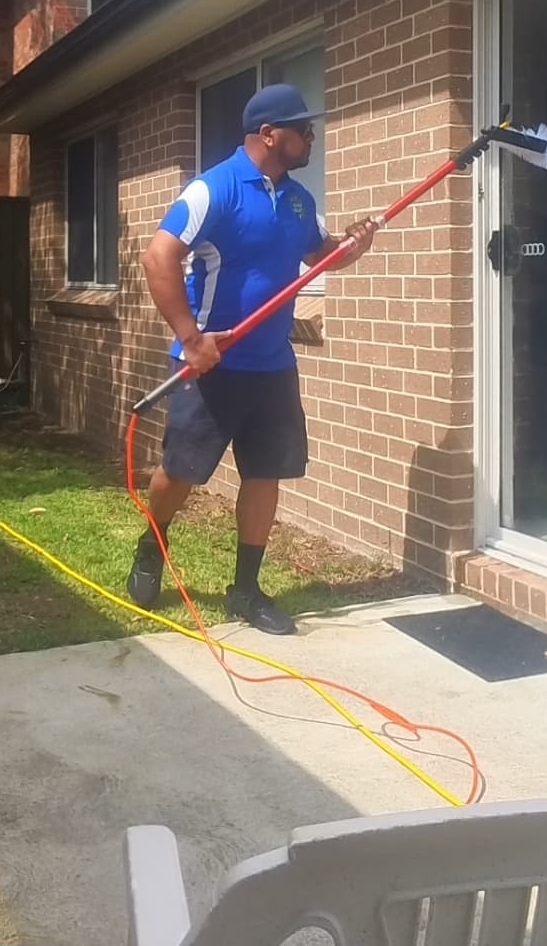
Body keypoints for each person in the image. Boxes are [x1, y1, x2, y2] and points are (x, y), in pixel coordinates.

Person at [127, 82, 378, 634]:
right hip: (211, 365)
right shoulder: (211, 190)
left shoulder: (298, 198)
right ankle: (153, 542)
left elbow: (317, 254)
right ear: (269, 135)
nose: (313, 136)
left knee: (265, 474)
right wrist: (192, 339)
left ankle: (245, 589)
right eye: (302, 129)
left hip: (271, 365)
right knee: (180, 472)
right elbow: (157, 257)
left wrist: (349, 247)